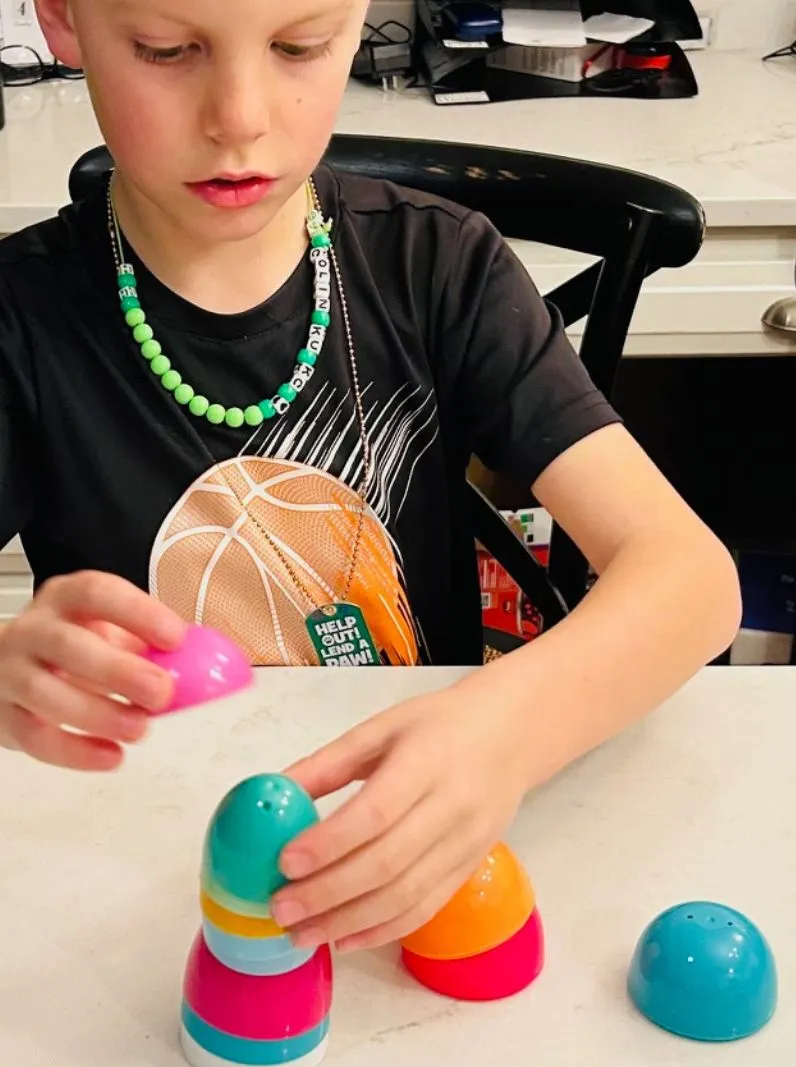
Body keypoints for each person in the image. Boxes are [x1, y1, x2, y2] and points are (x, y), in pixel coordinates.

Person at [0, 0, 741, 953]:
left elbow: (689, 578)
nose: (240, 116)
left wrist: (505, 734)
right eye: (167, 50)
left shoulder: (439, 266)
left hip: (424, 847)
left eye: (298, 47)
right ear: (62, 21)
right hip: (154, 881)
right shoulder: (23, 323)